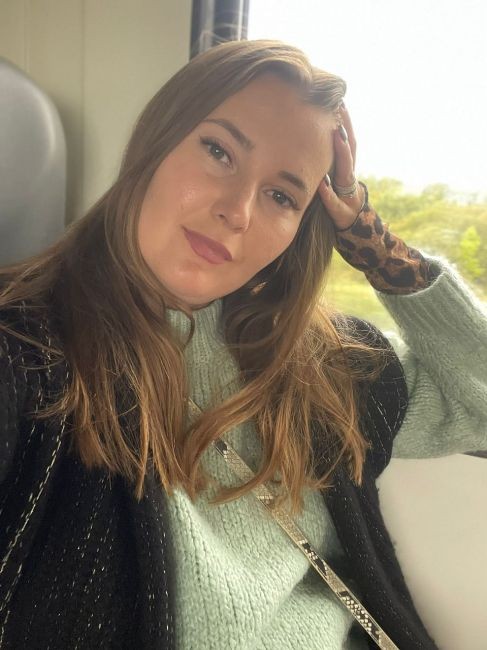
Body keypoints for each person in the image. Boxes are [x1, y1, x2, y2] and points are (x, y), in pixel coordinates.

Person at [0, 39, 485, 650]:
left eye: (282, 196)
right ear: (156, 141)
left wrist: (372, 241)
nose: (238, 211)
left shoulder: (324, 364)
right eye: (219, 151)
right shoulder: (27, 351)